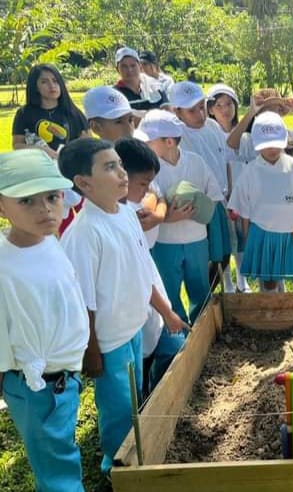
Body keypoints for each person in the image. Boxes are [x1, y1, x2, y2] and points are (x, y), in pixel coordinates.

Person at [58, 138, 186, 475]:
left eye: (120, 164)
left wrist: (166, 312)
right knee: (117, 406)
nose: (122, 173)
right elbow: (81, 301)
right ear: (83, 183)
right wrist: (91, 350)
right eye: (110, 167)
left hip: (133, 328)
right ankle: (117, 466)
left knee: (135, 395)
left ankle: (138, 448)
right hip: (109, 339)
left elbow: (143, 271)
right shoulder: (84, 233)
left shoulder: (127, 214)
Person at [0, 149, 89, 492]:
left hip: (63, 378)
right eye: (27, 200)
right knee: (56, 471)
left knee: (62, 451)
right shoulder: (6, 264)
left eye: (52, 196)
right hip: (38, 386)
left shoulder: (48, 241)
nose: (46, 209)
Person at [136, 109, 224, 324]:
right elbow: (145, 203)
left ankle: (202, 331)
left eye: (150, 141)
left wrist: (197, 205)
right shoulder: (149, 169)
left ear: (169, 142)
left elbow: (213, 194)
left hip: (196, 240)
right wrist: (167, 216)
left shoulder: (195, 162)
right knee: (169, 291)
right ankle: (180, 336)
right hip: (165, 242)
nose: (145, 146)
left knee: (200, 289)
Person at [114, 137, 185, 396]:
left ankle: (154, 396)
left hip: (151, 300)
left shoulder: (128, 209)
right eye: (142, 183)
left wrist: (157, 210)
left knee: (165, 348)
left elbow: (156, 193)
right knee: (137, 372)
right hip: (134, 312)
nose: (147, 189)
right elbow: (138, 277)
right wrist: (167, 312)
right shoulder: (122, 218)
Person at [228, 112, 293, 292]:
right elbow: (243, 209)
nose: (272, 149)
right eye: (266, 144)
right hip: (262, 235)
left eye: (277, 144)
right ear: (257, 145)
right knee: (269, 281)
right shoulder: (251, 171)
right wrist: (249, 238)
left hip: (289, 235)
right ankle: (271, 315)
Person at [168, 81, 234, 292]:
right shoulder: (177, 136)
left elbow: (224, 161)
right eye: (191, 110)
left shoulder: (213, 126)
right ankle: (205, 303)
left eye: (201, 106)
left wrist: (229, 188)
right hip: (198, 204)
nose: (199, 114)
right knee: (206, 257)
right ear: (177, 111)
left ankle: (222, 291)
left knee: (223, 252)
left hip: (221, 199)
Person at [206, 83, 251, 293]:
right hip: (220, 194)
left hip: (244, 193)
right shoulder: (209, 134)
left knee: (242, 235)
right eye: (219, 105)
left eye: (229, 104)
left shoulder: (244, 133)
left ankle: (243, 279)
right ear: (211, 109)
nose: (225, 109)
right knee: (225, 238)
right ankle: (228, 282)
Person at [12, 64, 89, 159]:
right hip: (39, 166)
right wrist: (42, 150)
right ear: (35, 86)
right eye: (44, 82)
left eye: (55, 81)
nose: (52, 86)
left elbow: (88, 141)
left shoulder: (72, 111)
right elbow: (17, 145)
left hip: (69, 165)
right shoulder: (24, 113)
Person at [113, 47, 168, 111]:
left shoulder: (155, 86)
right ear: (117, 69)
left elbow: (168, 111)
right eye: (124, 66)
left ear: (140, 66)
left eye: (133, 65)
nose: (129, 70)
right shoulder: (115, 95)